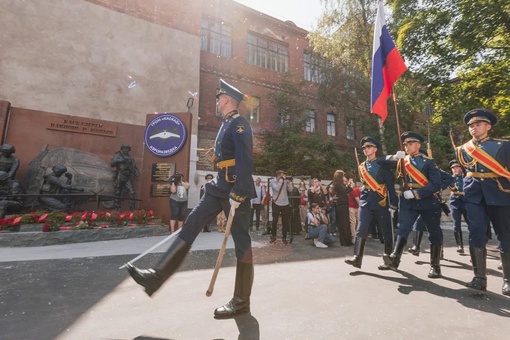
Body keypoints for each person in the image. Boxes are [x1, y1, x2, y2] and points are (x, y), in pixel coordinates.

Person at [126, 79, 257, 318]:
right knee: (192, 222)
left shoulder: (240, 125)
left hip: (234, 190)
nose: (217, 101)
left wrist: (240, 192)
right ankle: (156, 277)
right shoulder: (226, 123)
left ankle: (241, 301)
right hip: (218, 187)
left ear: (227, 99)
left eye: (219, 98)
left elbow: (246, 160)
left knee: (242, 243)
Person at [456, 109, 510, 295]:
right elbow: (465, 171)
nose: (474, 128)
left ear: (488, 126)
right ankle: (479, 277)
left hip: (499, 192)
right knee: (476, 232)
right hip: (474, 195)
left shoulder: (503, 146)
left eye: (478, 125)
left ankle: (508, 279)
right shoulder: (463, 149)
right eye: (471, 126)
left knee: (504, 234)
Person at [381, 131, 444, 278]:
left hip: (427, 201)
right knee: (403, 228)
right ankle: (395, 258)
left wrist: (417, 193)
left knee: (434, 233)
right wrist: (394, 157)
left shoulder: (429, 162)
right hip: (408, 202)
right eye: (405, 144)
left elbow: (436, 184)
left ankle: (435, 266)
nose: (407, 146)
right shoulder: (402, 160)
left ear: (418, 145)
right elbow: (380, 162)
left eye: (410, 144)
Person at [345, 137, 398, 270]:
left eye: (368, 147)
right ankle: (357, 258)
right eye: (364, 148)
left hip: (380, 199)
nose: (365, 149)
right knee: (361, 227)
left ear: (375, 149)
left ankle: (388, 258)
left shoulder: (382, 164)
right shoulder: (362, 166)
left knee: (385, 230)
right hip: (365, 199)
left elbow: (390, 185)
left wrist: (394, 203)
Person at [110, 144, 139, 210]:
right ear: (122, 149)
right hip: (119, 175)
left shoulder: (131, 159)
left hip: (127, 177)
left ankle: (132, 209)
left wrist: (136, 172)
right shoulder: (118, 156)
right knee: (117, 192)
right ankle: (117, 208)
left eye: (127, 149)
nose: (126, 150)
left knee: (131, 192)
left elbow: (134, 167)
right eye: (124, 148)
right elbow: (112, 164)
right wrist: (119, 160)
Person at [448, 159, 467, 254]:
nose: (454, 169)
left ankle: (475, 243)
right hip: (454, 200)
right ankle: (459, 245)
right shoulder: (450, 178)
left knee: (471, 222)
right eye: (453, 168)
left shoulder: (466, 177)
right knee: (456, 223)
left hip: (466, 200)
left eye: (457, 167)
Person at [331, 170, 354, 246]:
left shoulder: (340, 185)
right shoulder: (337, 185)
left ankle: (347, 240)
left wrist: (349, 186)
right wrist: (351, 187)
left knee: (346, 223)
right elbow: (344, 192)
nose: (344, 177)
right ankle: (344, 241)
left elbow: (344, 191)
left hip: (344, 205)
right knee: (343, 224)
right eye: (343, 176)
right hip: (341, 206)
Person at [269, 170, 291, 244]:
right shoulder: (272, 181)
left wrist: (289, 183)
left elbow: (290, 190)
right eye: (282, 175)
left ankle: (284, 237)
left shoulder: (284, 181)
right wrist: (282, 180)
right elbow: (277, 188)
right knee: (275, 221)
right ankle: (273, 236)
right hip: (276, 203)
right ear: (278, 175)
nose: (284, 176)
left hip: (285, 203)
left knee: (285, 221)